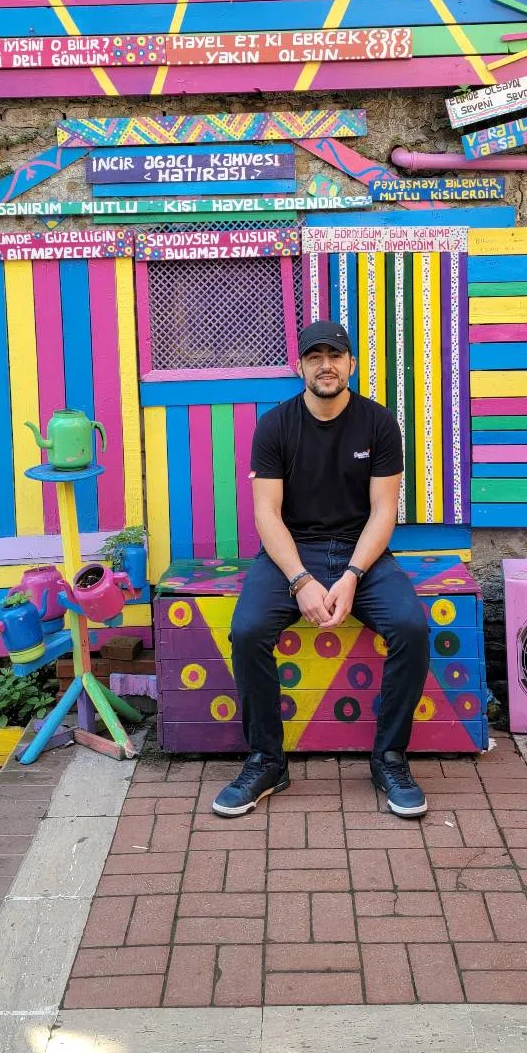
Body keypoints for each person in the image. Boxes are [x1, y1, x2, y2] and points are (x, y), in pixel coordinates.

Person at [212, 320, 431, 821]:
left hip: (363, 555)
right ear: (301, 367)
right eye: (315, 357)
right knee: (246, 632)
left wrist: (352, 574)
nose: (325, 365)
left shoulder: (378, 423)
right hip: (293, 553)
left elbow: (383, 511)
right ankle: (267, 760)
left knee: (412, 628)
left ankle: (390, 758)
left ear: (351, 365)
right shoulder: (275, 425)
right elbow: (266, 514)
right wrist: (301, 581)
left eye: (335, 356)